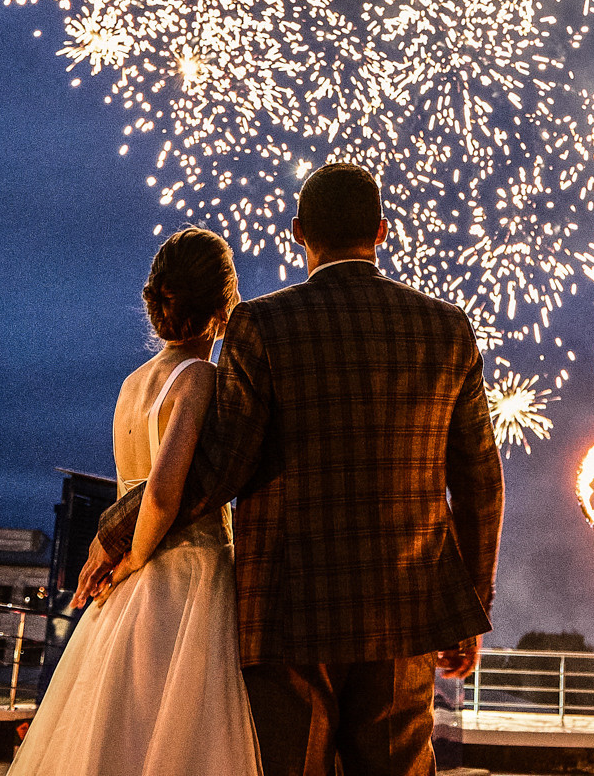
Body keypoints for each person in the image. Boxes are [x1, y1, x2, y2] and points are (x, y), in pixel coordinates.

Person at [75, 163, 505, 776]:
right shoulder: (446, 329)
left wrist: (117, 525)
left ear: (299, 231)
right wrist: (473, 604)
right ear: (381, 232)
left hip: (289, 612)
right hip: (406, 608)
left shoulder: (262, 325)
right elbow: (480, 484)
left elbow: (220, 467)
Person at [11, 227, 260, 775]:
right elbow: (165, 494)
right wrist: (138, 557)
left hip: (121, 594)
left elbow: (133, 482)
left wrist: (119, 563)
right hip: (187, 574)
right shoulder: (199, 379)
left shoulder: (131, 385)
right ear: (224, 303)